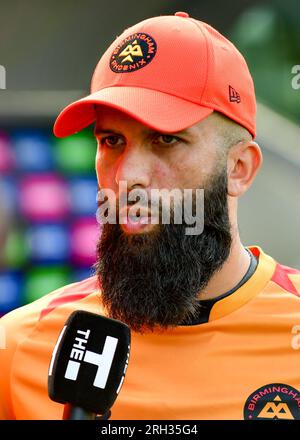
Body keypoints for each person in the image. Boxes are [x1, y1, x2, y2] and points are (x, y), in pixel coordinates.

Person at [1, 12, 300, 421]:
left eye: (165, 139)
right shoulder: (18, 347)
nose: (128, 178)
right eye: (112, 141)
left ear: (239, 169)